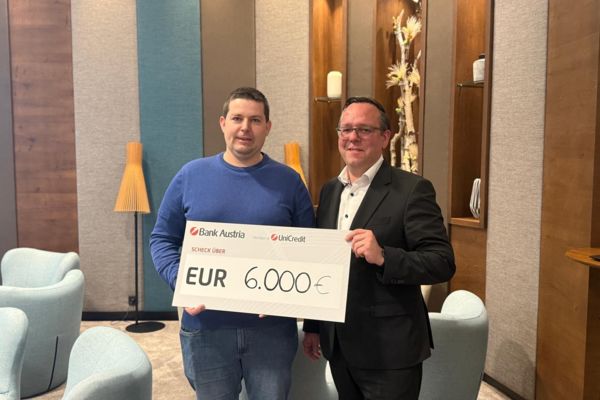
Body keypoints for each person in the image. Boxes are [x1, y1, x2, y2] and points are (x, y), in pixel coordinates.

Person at [150, 87, 315, 400]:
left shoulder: (289, 182)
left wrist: (291, 300)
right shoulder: (190, 175)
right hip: (206, 328)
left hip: (271, 331)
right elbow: (162, 239)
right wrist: (181, 280)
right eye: (237, 118)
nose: (245, 128)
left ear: (268, 127)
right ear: (223, 123)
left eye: (255, 120)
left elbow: (308, 251)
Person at [302, 97, 455, 400]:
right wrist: (314, 326)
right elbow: (324, 264)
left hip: (389, 349)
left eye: (364, 129)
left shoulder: (412, 189)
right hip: (339, 345)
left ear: (385, 137)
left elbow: (442, 262)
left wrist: (384, 256)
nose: (353, 137)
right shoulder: (330, 190)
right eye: (346, 129)